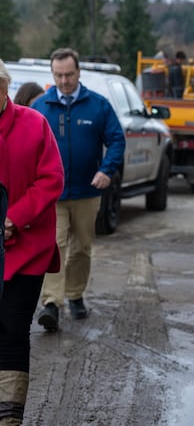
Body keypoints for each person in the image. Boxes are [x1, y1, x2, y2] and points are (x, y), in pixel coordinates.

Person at [31, 48, 125, 332]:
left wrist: (106, 170)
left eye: (69, 74)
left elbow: (117, 140)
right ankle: (51, 303)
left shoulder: (98, 105)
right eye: (58, 75)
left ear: (79, 72)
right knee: (53, 246)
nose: (63, 81)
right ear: (52, 74)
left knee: (81, 248)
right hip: (52, 194)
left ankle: (75, 295)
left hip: (87, 191)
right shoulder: (40, 106)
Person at [0, 59, 64, 425]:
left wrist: (13, 218)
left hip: (26, 249)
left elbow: (51, 179)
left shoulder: (34, 124)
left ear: (4, 88)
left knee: (11, 328)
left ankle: (8, 416)